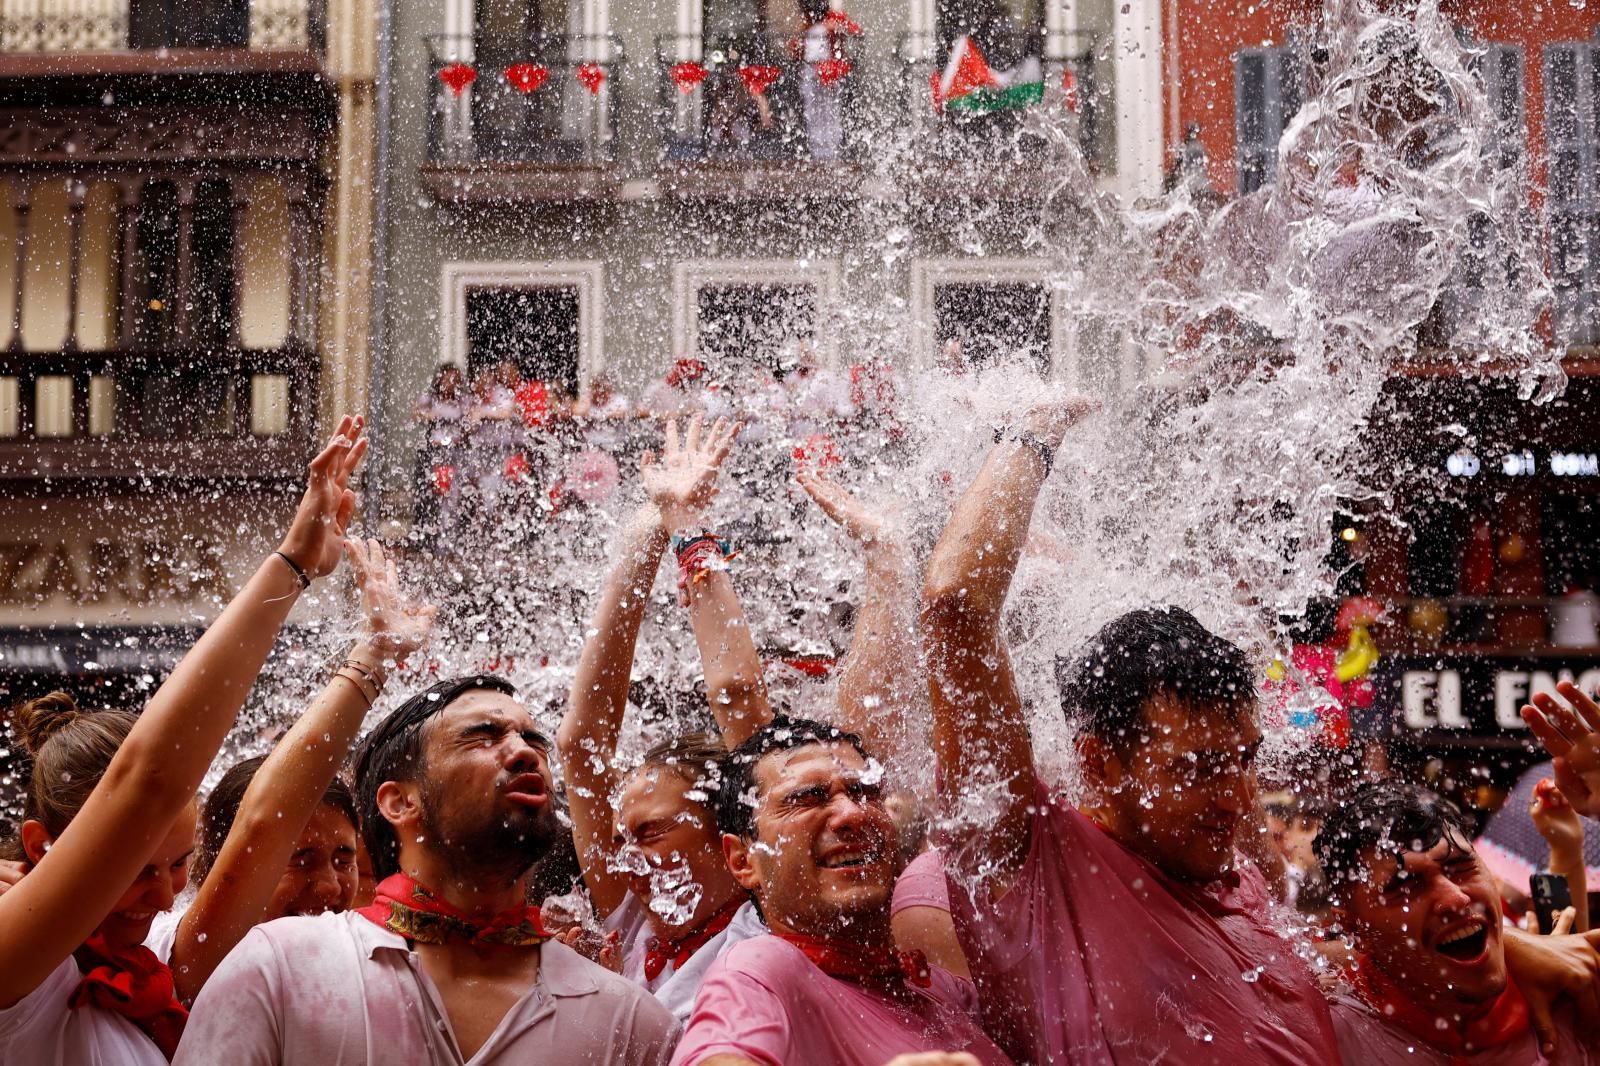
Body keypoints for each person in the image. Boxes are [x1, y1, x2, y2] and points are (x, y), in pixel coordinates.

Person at [920, 397, 1344, 1064]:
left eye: (1245, 760)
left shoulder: (1235, 868)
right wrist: (1034, 430)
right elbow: (954, 611)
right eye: (1198, 768)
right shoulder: (1034, 863)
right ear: (1097, 761)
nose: (1235, 797)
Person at [0, 416, 368, 1064]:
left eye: (178, 866)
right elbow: (149, 784)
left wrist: (371, 662)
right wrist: (291, 565)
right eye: (140, 870)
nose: (169, 895)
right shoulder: (17, 969)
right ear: (41, 846)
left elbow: (264, 826)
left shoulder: (151, 960)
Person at [175, 674, 678, 1064]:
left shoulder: (630, 1022)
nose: (525, 751)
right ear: (400, 802)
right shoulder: (281, 969)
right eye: (483, 736)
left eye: (532, 739)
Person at [558, 414, 771, 1022]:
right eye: (625, 839)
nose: (623, 859)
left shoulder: (769, 920)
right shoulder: (634, 923)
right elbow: (581, 749)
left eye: (650, 834)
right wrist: (649, 536)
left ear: (733, 838)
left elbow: (737, 695)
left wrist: (688, 528)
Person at [166, 538, 435, 1002]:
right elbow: (263, 825)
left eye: (343, 859)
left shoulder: (382, 968)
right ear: (220, 865)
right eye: (301, 859)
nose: (331, 886)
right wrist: (372, 656)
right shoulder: (191, 960)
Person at [670, 715, 1014, 1066]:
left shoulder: (937, 987)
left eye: (864, 791)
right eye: (808, 798)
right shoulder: (761, 970)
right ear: (743, 860)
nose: (853, 813)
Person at [1318, 782, 1600, 1064]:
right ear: (1354, 927)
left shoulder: (1570, 990)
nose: (1456, 899)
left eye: (1461, 867)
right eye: (1407, 886)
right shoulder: (1324, 1035)